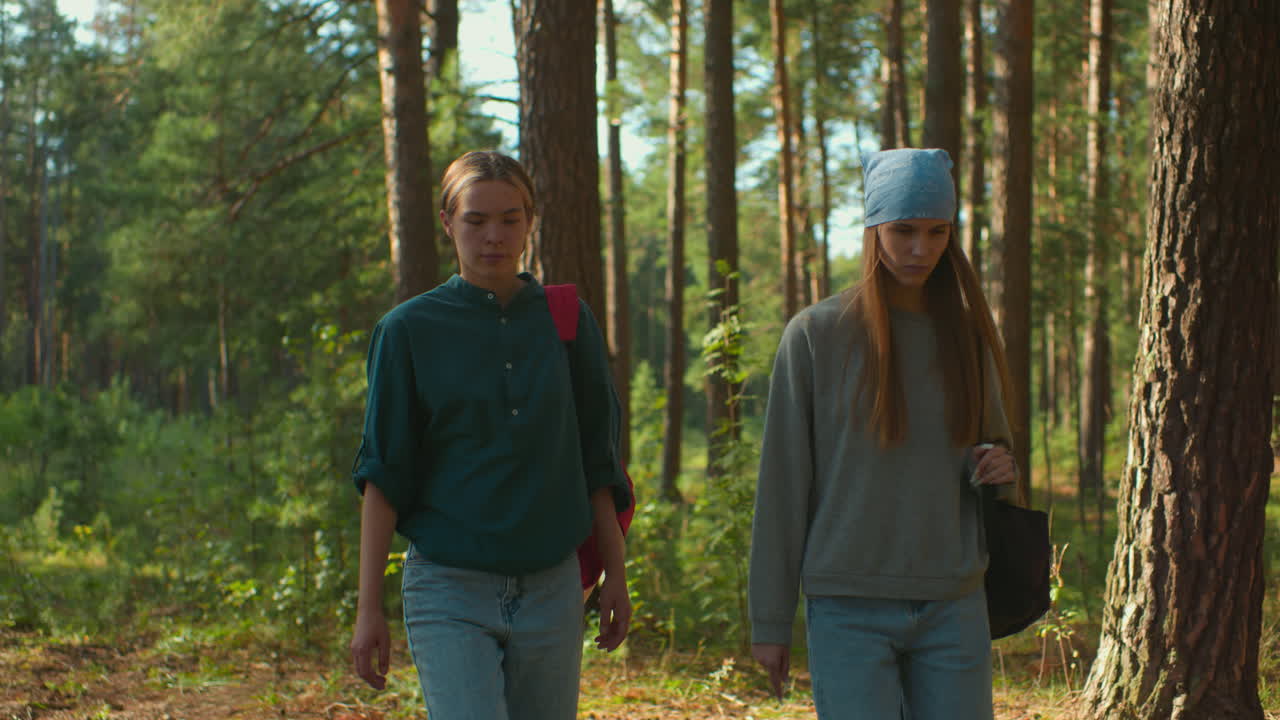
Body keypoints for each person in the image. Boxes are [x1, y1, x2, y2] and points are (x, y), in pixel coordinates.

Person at [348, 150, 632, 720]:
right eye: (475, 220)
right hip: (448, 586)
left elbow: (597, 461)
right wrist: (368, 609)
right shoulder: (406, 330)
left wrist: (616, 577)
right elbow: (383, 473)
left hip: (552, 586)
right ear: (448, 222)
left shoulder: (566, 316)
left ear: (531, 222)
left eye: (510, 218)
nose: (494, 236)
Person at [748, 148, 1018, 720]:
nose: (921, 249)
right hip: (848, 605)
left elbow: (996, 456)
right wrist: (770, 623)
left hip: (953, 599)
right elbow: (782, 489)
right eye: (903, 231)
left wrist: (1000, 467)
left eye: (936, 232)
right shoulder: (816, 336)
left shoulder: (967, 337)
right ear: (873, 228)